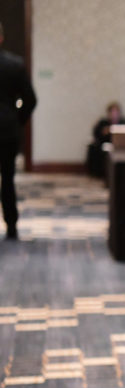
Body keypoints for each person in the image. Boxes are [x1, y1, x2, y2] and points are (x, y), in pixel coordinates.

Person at [0, 21, 37, 240]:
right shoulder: (15, 64)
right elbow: (30, 100)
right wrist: (17, 119)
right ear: (2, 38)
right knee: (8, 178)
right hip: (7, 130)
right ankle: (11, 226)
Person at [86, 101, 125, 177]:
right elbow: (96, 134)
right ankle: (99, 173)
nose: (114, 114)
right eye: (112, 112)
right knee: (94, 148)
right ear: (108, 113)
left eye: (116, 112)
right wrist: (104, 132)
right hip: (104, 145)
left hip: (121, 146)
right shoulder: (103, 122)